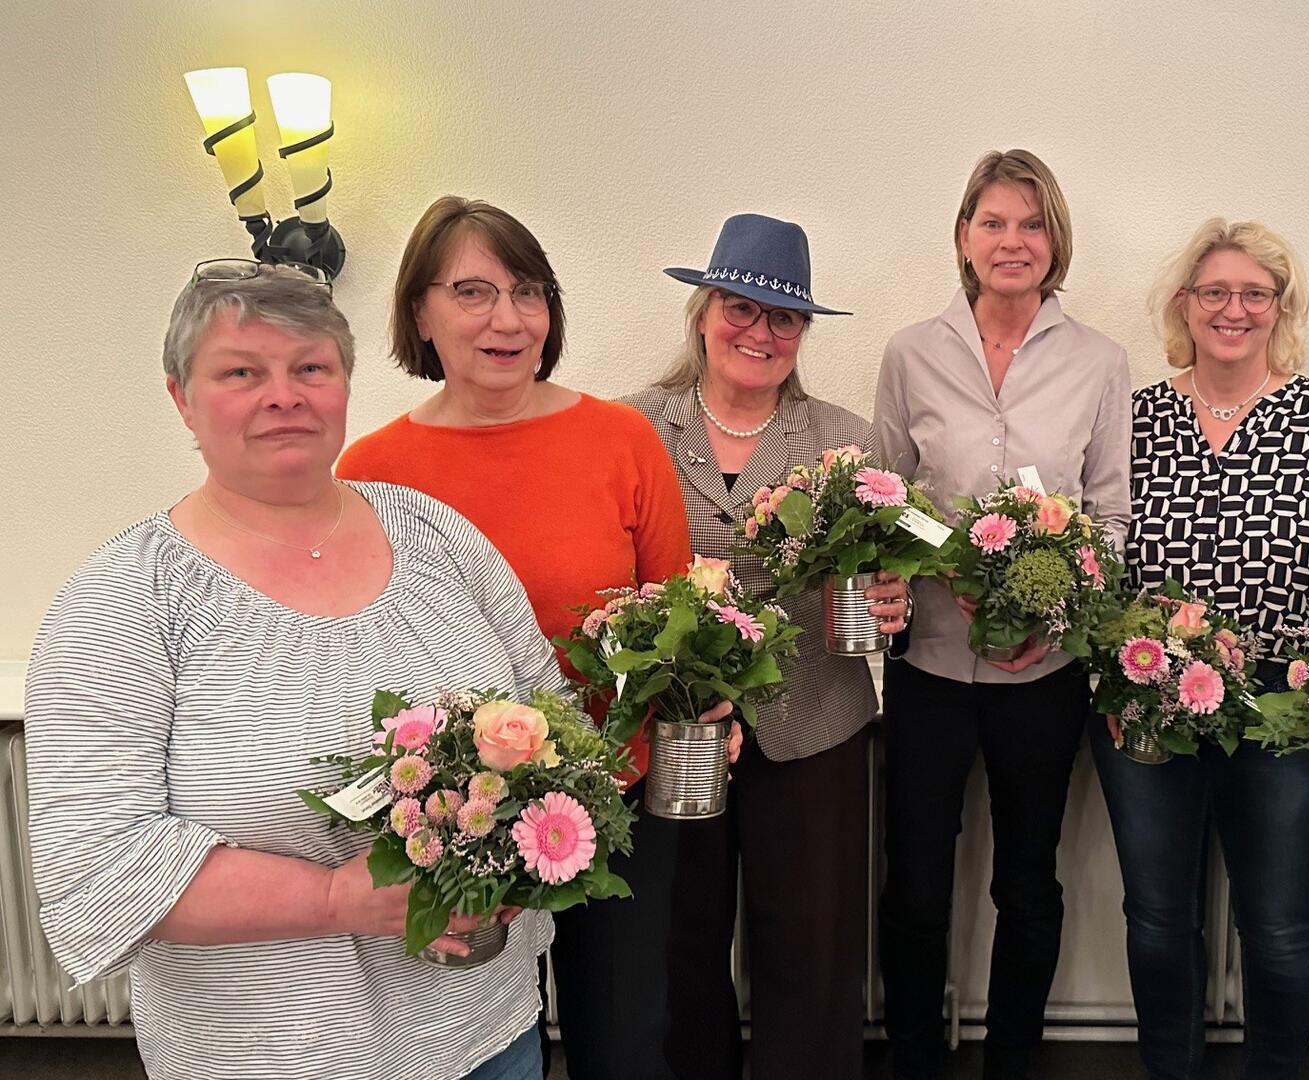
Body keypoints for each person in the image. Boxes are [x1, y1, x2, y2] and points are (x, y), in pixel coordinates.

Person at [26, 261, 559, 1080]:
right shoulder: (125, 601)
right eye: (243, 372)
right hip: (273, 1055)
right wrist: (334, 899)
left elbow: (549, 716)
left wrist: (523, 851)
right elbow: (101, 860)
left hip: (485, 1037)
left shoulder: (438, 535)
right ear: (182, 398)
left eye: (311, 367)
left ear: (344, 384)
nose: (285, 395)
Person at [335, 196, 705, 1080]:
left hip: (613, 799)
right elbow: (353, 641)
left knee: (622, 1036)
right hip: (459, 815)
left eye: (528, 292)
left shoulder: (622, 439)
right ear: (419, 313)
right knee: (480, 1044)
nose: (507, 319)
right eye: (473, 291)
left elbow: (679, 614)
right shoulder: (372, 471)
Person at [623, 213, 907, 1080]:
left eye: (783, 318)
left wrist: (898, 596)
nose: (760, 331)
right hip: (676, 723)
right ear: (704, 312)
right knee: (678, 936)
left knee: (812, 944)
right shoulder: (632, 428)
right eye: (741, 308)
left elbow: (912, 555)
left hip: (813, 721)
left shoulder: (847, 439)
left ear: (803, 333)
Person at [1093, 219, 1309, 1079]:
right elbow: (1101, 560)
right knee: (1156, 916)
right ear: (1185, 303)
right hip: (1150, 698)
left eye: (1255, 293)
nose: (1233, 309)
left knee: (1281, 921)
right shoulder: (1136, 414)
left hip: (1284, 707)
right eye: (1214, 291)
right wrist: (1112, 670)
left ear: (1280, 308)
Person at [873, 148, 1130, 1080]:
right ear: (964, 237)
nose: (1011, 241)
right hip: (930, 665)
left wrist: (1052, 612)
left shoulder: (1099, 360)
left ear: (1054, 241)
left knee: (1028, 882)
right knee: (915, 886)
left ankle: (1012, 1060)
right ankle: (912, 1058)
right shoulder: (911, 352)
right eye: (993, 222)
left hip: (1043, 673)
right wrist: (946, 568)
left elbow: (1107, 515)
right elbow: (887, 500)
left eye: (1030, 224)